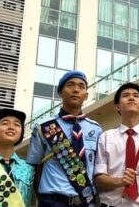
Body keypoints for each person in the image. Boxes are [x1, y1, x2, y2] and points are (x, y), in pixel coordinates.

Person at [26, 70, 103, 207]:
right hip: (53, 201)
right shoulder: (44, 127)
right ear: (60, 92)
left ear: (86, 95)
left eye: (81, 86)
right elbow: (34, 167)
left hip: (86, 202)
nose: (76, 90)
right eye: (70, 85)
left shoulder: (95, 129)